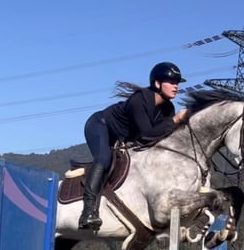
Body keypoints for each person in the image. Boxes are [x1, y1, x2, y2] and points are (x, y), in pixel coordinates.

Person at [78, 61, 190, 230]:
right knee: (104, 158)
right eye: (172, 82)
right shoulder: (140, 100)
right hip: (99, 125)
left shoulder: (168, 108)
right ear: (157, 83)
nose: (176, 87)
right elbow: (147, 134)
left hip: (122, 136)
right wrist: (175, 121)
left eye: (177, 83)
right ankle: (87, 212)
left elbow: (160, 136)